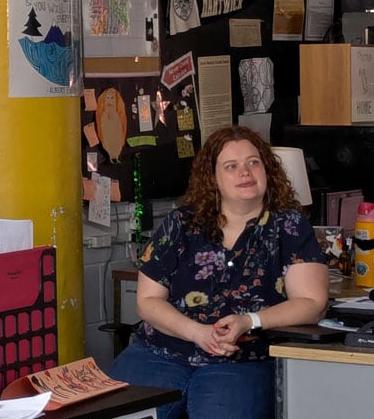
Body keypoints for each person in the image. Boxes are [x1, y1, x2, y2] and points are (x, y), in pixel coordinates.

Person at [107, 125, 327, 419]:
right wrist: (198, 333)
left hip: (243, 360)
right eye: (231, 166)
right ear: (213, 178)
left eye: (253, 162)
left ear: (267, 169)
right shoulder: (181, 223)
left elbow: (311, 303)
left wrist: (248, 321)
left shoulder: (288, 226)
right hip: (160, 352)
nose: (245, 173)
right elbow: (147, 301)